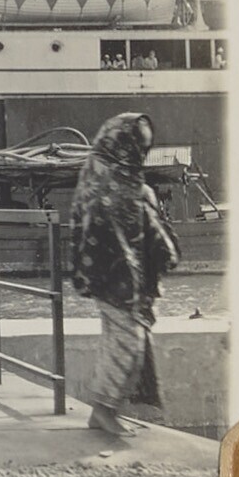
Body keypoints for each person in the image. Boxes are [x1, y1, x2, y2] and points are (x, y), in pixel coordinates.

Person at [70, 113, 179, 437]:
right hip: (115, 281)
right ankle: (104, 411)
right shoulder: (113, 184)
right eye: (138, 147)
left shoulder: (105, 177)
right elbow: (119, 230)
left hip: (111, 280)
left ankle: (105, 411)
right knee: (127, 344)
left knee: (120, 342)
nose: (141, 155)